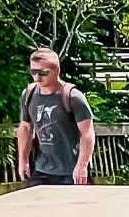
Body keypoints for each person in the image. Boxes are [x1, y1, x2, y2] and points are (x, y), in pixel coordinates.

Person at [17, 49, 95, 187]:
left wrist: (82, 165)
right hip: (41, 169)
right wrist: (23, 160)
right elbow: (25, 128)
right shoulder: (28, 95)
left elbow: (87, 133)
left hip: (70, 170)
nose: (37, 77)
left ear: (56, 70)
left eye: (43, 72)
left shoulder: (73, 97)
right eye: (33, 72)